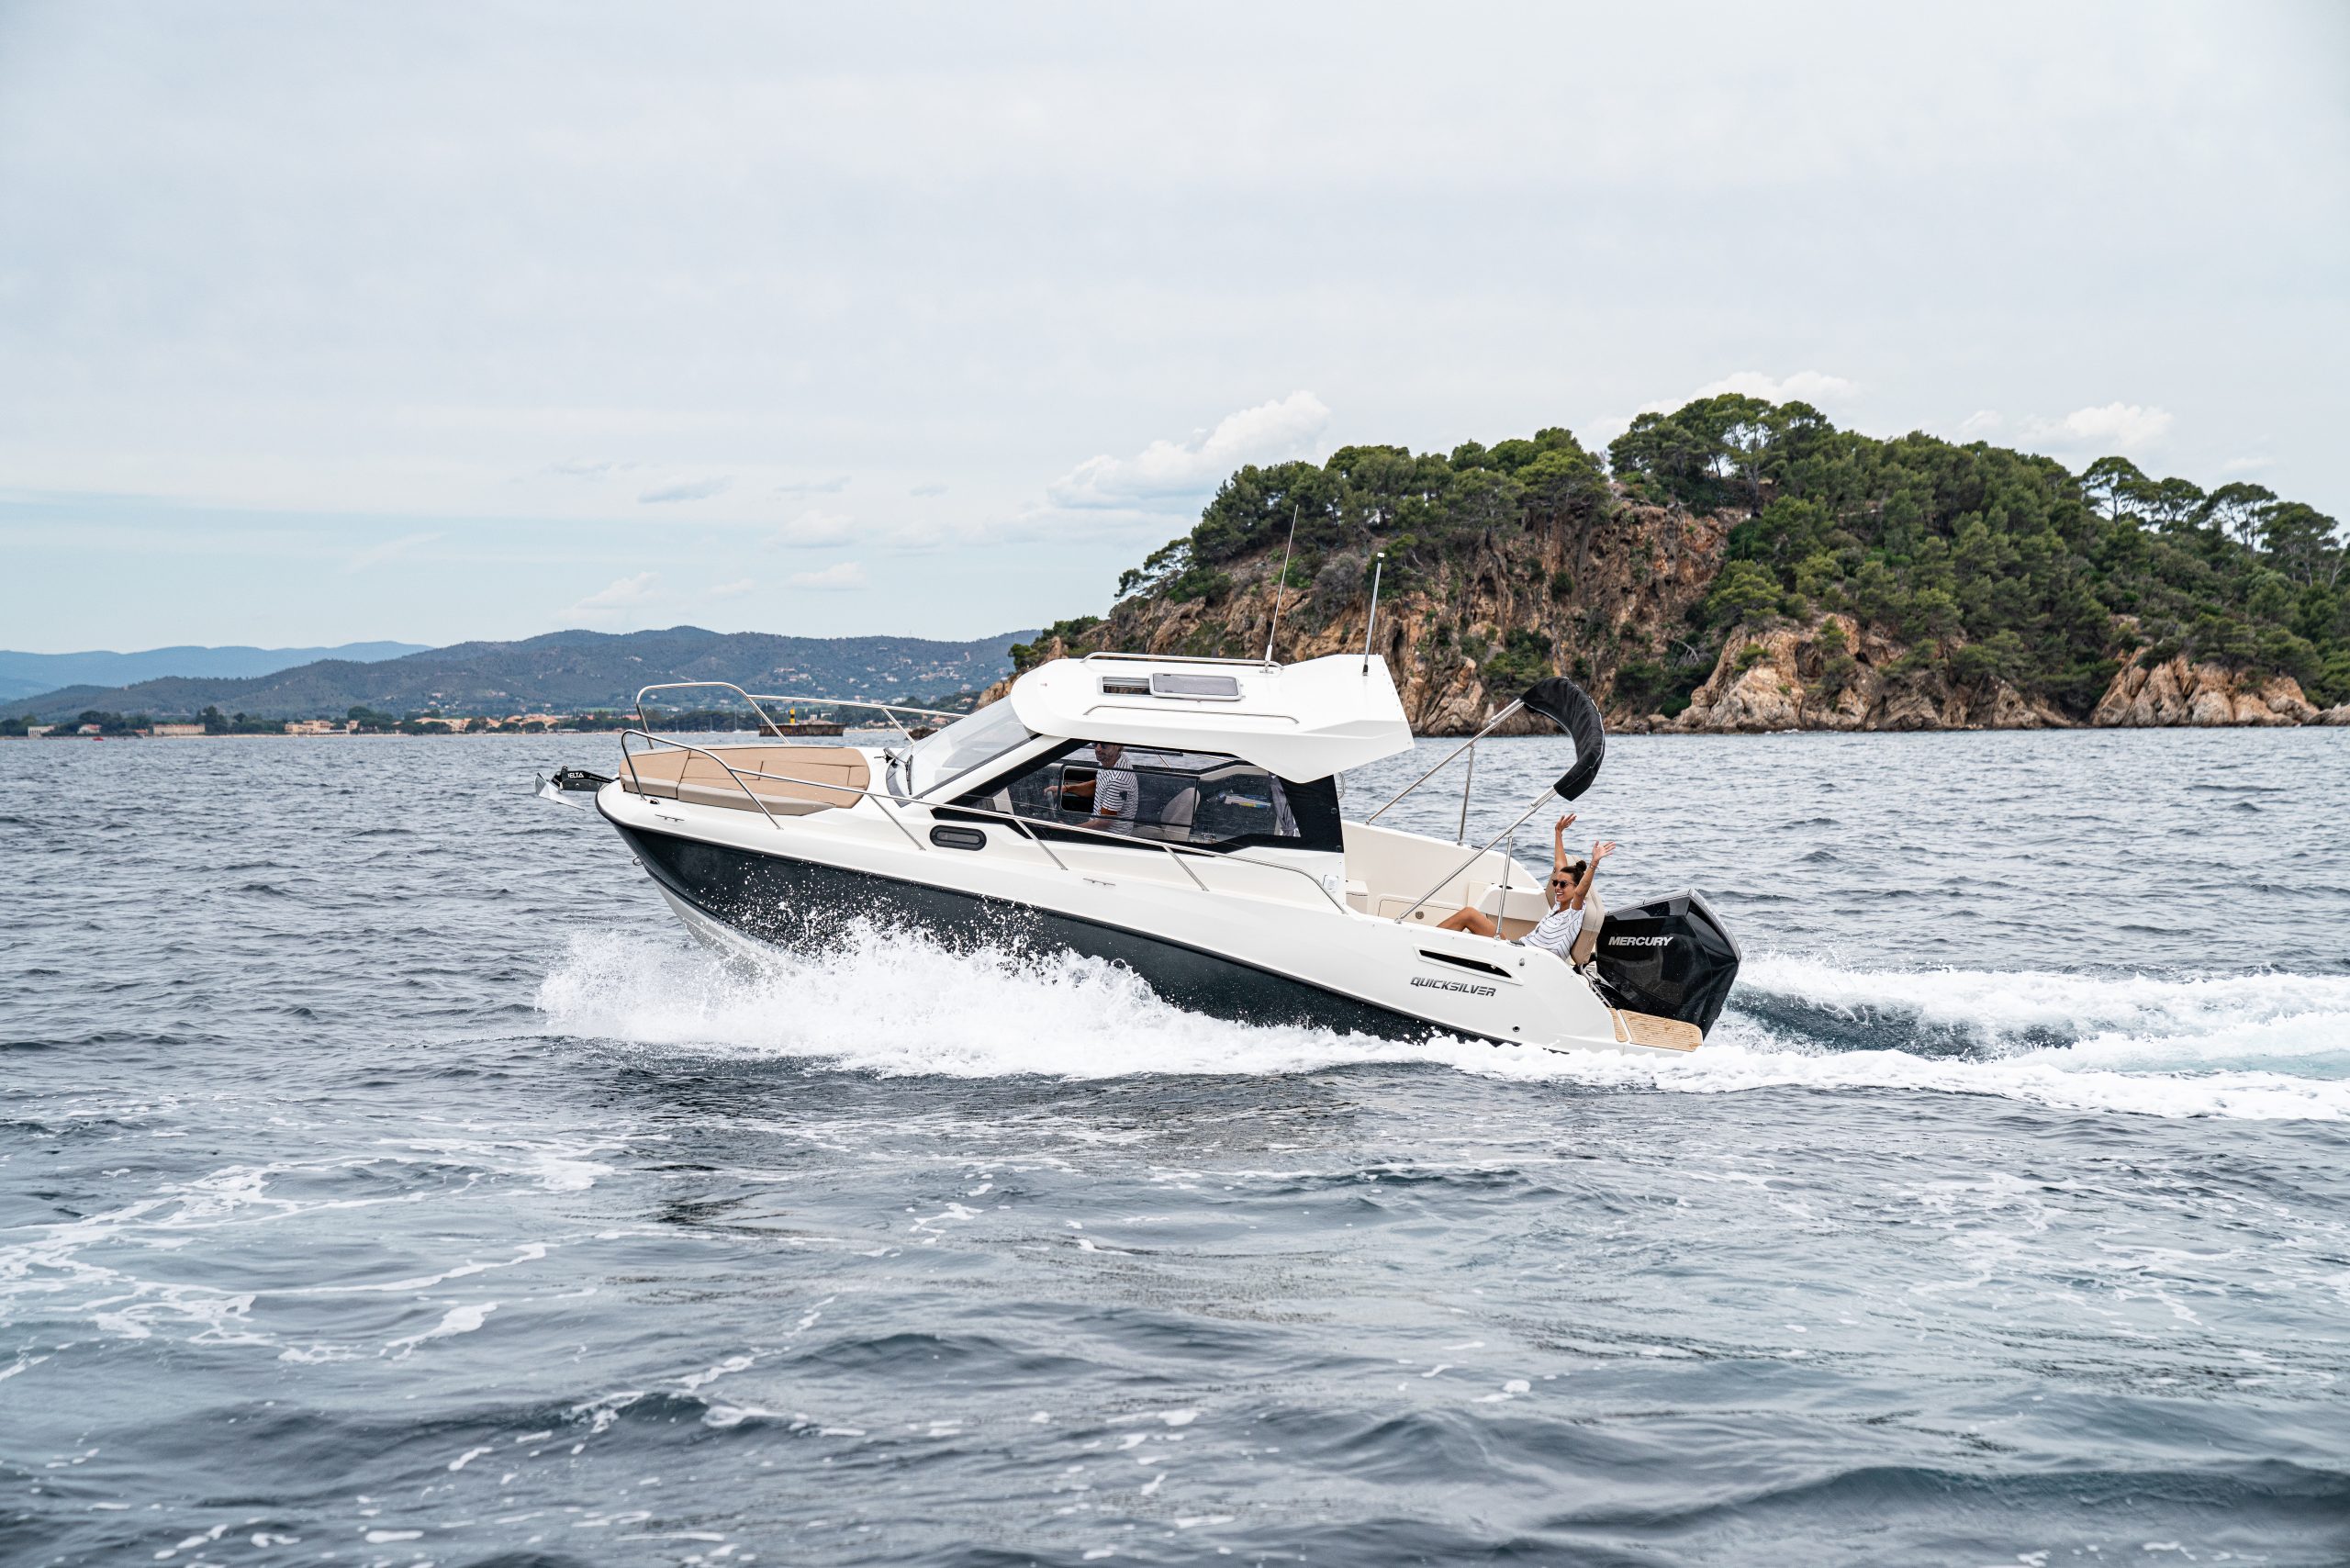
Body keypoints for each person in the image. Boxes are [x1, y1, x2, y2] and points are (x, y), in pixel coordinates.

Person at [1438, 812, 1617, 961]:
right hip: (1517, 949)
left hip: (1526, 961)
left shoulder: (1574, 912)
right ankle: (1429, 945)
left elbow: (1581, 891)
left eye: (1563, 884)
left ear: (1575, 888)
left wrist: (1594, 863)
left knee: (1468, 915)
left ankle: (1425, 943)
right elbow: (1559, 865)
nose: (1557, 887)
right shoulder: (1558, 906)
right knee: (1469, 915)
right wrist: (1558, 832)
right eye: (1555, 883)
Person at [1087, 742, 1140, 834]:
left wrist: (1068, 829)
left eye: (1104, 744)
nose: (1097, 749)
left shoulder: (1118, 780)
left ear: (1118, 746)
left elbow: (1103, 824)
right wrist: (1067, 788)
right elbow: (1098, 785)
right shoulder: (1110, 759)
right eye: (1095, 743)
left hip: (1108, 837)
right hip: (1098, 826)